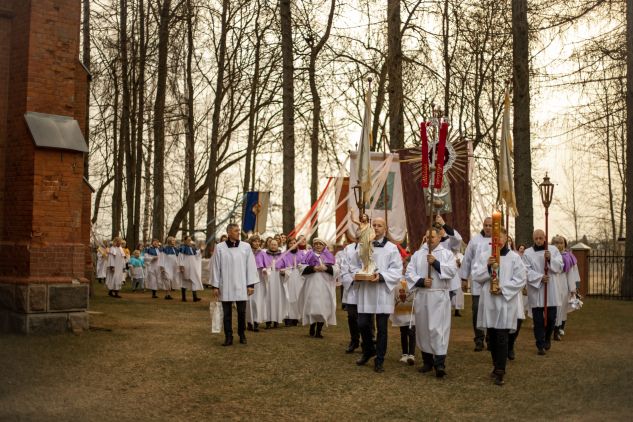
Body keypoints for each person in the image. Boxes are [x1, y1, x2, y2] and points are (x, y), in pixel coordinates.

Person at [471, 228, 527, 386]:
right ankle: (496, 366)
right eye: (496, 238)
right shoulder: (485, 256)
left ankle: (500, 371)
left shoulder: (514, 258)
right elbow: (476, 276)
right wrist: (488, 268)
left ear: (507, 239)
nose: (499, 241)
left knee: (502, 336)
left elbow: (520, 278)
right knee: (493, 337)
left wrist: (505, 289)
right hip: (489, 302)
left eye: (502, 237)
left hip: (505, 301)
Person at [351, 217, 403, 373]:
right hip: (366, 290)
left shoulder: (392, 248)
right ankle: (368, 350)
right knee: (362, 324)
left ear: (385, 229)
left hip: (382, 291)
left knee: (382, 328)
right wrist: (358, 274)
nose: (376, 227)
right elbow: (353, 265)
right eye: (374, 225)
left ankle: (379, 359)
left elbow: (396, 270)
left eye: (379, 225)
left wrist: (380, 277)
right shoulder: (363, 245)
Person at [405, 227, 457, 378]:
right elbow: (409, 272)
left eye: (432, 237)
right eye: (427, 237)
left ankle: (439, 363)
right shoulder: (418, 254)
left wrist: (435, 263)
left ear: (439, 238)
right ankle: (427, 361)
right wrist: (421, 281)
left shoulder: (446, 254)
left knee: (437, 329)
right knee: (423, 329)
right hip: (422, 296)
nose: (430, 240)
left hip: (438, 297)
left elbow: (452, 271)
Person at [211, 223, 259, 346]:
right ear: (229, 232)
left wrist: (250, 285)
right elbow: (215, 267)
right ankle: (228, 336)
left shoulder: (246, 246)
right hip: (225, 285)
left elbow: (251, 266)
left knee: (242, 312)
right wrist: (215, 286)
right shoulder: (220, 247)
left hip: (241, 284)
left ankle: (242, 334)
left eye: (239, 230)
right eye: (236, 230)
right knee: (227, 313)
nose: (239, 232)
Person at [522, 229, 564, 355]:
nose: (539, 241)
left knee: (551, 318)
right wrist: (540, 277)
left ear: (545, 238)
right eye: (536, 238)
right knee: (538, 320)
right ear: (533, 239)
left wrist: (551, 259)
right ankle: (540, 344)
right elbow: (525, 270)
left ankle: (547, 338)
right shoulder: (528, 253)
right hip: (536, 290)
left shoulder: (553, 250)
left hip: (551, 289)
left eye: (541, 238)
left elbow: (560, 266)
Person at [460, 217, 493, 351]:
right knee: (477, 310)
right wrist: (464, 278)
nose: (488, 228)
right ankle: (479, 339)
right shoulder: (475, 240)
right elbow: (467, 260)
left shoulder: (498, 240)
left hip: (491, 281)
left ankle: (490, 339)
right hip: (477, 281)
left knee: (490, 310)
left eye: (490, 225)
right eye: (486, 225)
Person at [298, 239, 338, 338]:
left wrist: (326, 268)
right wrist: (314, 268)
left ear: (324, 245)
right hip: (312, 285)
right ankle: (312, 326)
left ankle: (318, 331)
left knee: (323, 308)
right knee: (312, 307)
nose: (318, 246)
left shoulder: (329, 256)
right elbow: (300, 267)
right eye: (316, 244)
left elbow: (337, 269)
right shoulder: (308, 255)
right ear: (313, 245)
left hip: (325, 286)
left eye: (320, 244)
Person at [551, 235, 580, 340]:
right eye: (556, 243)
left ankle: (558, 330)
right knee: (552, 308)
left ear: (565, 244)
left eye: (561, 242)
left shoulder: (568, 257)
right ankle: (551, 329)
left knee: (561, 309)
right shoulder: (550, 255)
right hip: (551, 283)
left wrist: (573, 289)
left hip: (563, 284)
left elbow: (571, 274)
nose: (559, 245)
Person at [278, 237, 307, 326]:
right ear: (288, 244)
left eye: (294, 242)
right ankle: (288, 317)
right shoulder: (284, 254)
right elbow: (279, 266)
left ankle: (297, 317)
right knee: (289, 296)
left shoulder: (302, 254)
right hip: (288, 277)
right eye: (291, 243)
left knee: (298, 296)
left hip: (299, 277)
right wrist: (283, 271)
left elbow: (306, 264)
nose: (293, 244)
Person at [339, 237, 361, 353]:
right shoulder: (348, 249)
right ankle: (354, 340)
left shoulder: (373, 248)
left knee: (367, 318)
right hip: (352, 287)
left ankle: (369, 341)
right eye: (358, 236)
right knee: (352, 316)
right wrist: (351, 280)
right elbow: (343, 267)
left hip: (366, 287)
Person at [261, 239, 287, 328]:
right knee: (268, 299)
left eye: (275, 244)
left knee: (277, 299)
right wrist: (264, 270)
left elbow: (286, 267)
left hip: (278, 278)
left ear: (278, 245)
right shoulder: (264, 254)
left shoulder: (282, 255)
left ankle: (276, 320)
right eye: (272, 244)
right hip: (268, 278)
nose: (273, 246)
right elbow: (262, 265)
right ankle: (268, 321)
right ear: (269, 245)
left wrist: (284, 272)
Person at [391, 278, 416, 366]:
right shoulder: (398, 277)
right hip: (401, 309)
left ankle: (411, 355)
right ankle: (405, 353)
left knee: (412, 331)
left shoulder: (413, 276)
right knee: (403, 332)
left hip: (412, 309)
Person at [245, 235, 266, 332]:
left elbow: (267, 265)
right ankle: (249, 321)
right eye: (255, 241)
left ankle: (256, 321)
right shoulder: (247, 252)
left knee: (257, 301)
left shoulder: (262, 253)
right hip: (249, 277)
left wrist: (265, 270)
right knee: (249, 301)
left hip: (259, 278)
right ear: (251, 242)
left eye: (258, 242)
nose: (257, 243)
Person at [178, 236, 204, 302]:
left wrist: (201, 250)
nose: (190, 241)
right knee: (184, 280)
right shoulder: (182, 248)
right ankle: (183, 297)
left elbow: (196, 255)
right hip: (186, 266)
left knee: (194, 279)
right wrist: (181, 266)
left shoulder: (192, 248)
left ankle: (195, 297)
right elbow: (180, 257)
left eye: (190, 240)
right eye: (188, 240)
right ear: (185, 241)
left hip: (192, 267)